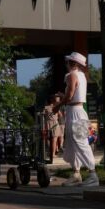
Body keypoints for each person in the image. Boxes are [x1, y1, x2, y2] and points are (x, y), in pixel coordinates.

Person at [53, 52, 99, 187]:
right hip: (77, 111)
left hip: (75, 112)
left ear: (72, 63)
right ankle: (76, 174)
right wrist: (64, 96)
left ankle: (92, 174)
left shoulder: (72, 75)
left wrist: (58, 105)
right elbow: (73, 94)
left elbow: (70, 95)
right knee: (74, 142)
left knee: (80, 142)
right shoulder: (82, 76)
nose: (66, 64)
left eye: (68, 62)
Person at [43, 94, 63, 160]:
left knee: (48, 139)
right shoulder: (56, 107)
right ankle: (53, 154)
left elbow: (42, 115)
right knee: (54, 140)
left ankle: (49, 152)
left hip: (47, 123)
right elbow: (61, 115)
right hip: (55, 124)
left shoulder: (45, 108)